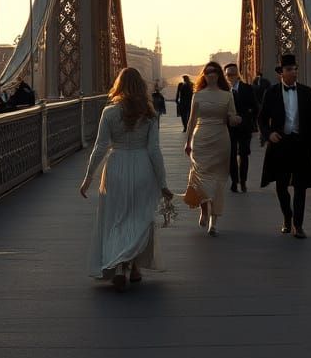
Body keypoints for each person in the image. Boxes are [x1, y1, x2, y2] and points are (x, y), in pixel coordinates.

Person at [79, 67, 173, 291]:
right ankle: (136, 268)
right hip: (142, 167)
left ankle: (119, 266)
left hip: (116, 166)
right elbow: (154, 151)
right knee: (140, 218)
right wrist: (163, 183)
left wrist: (88, 177)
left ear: (118, 85)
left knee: (117, 218)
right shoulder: (150, 115)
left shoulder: (109, 113)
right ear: (141, 87)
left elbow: (101, 147)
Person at [259, 53, 311, 239]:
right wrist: (268, 134)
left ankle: (298, 225)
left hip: (301, 145)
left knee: (300, 186)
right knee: (281, 186)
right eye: (289, 70)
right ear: (281, 73)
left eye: (295, 69)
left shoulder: (307, 92)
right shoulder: (270, 93)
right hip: (280, 144)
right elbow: (262, 119)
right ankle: (287, 217)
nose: (293, 72)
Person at [183, 61, 240, 236]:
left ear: (218, 75)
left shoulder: (227, 95)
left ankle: (214, 221)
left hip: (221, 140)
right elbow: (192, 120)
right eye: (207, 72)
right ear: (204, 75)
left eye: (214, 72)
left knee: (218, 181)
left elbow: (232, 114)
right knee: (200, 177)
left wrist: (235, 119)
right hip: (201, 140)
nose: (211, 75)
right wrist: (188, 142)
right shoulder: (198, 95)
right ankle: (204, 209)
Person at [223, 62, 259, 192]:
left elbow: (255, 108)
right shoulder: (223, 91)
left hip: (244, 128)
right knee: (231, 156)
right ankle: (234, 181)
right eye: (228, 74)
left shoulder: (248, 88)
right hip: (229, 128)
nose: (231, 76)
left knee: (244, 155)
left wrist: (245, 118)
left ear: (238, 74)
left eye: (233, 73)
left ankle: (243, 181)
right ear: (225, 76)